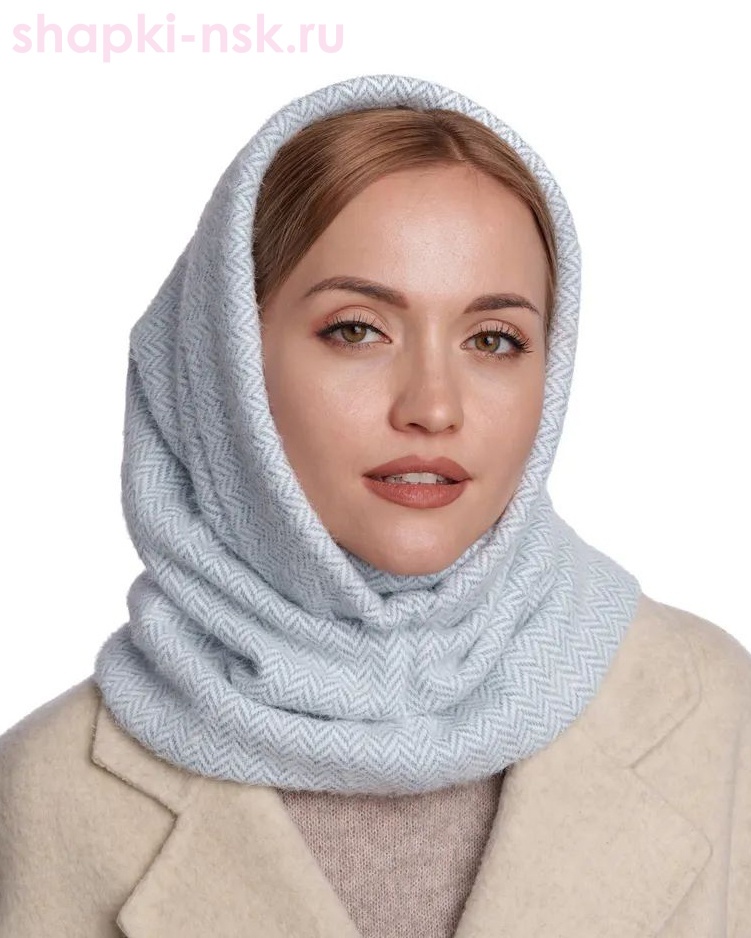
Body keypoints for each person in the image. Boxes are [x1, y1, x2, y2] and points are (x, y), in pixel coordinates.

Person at [0, 72, 749, 938]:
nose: (433, 406)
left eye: (492, 339)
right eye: (356, 329)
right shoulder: (41, 794)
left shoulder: (709, 707)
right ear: (223, 365)